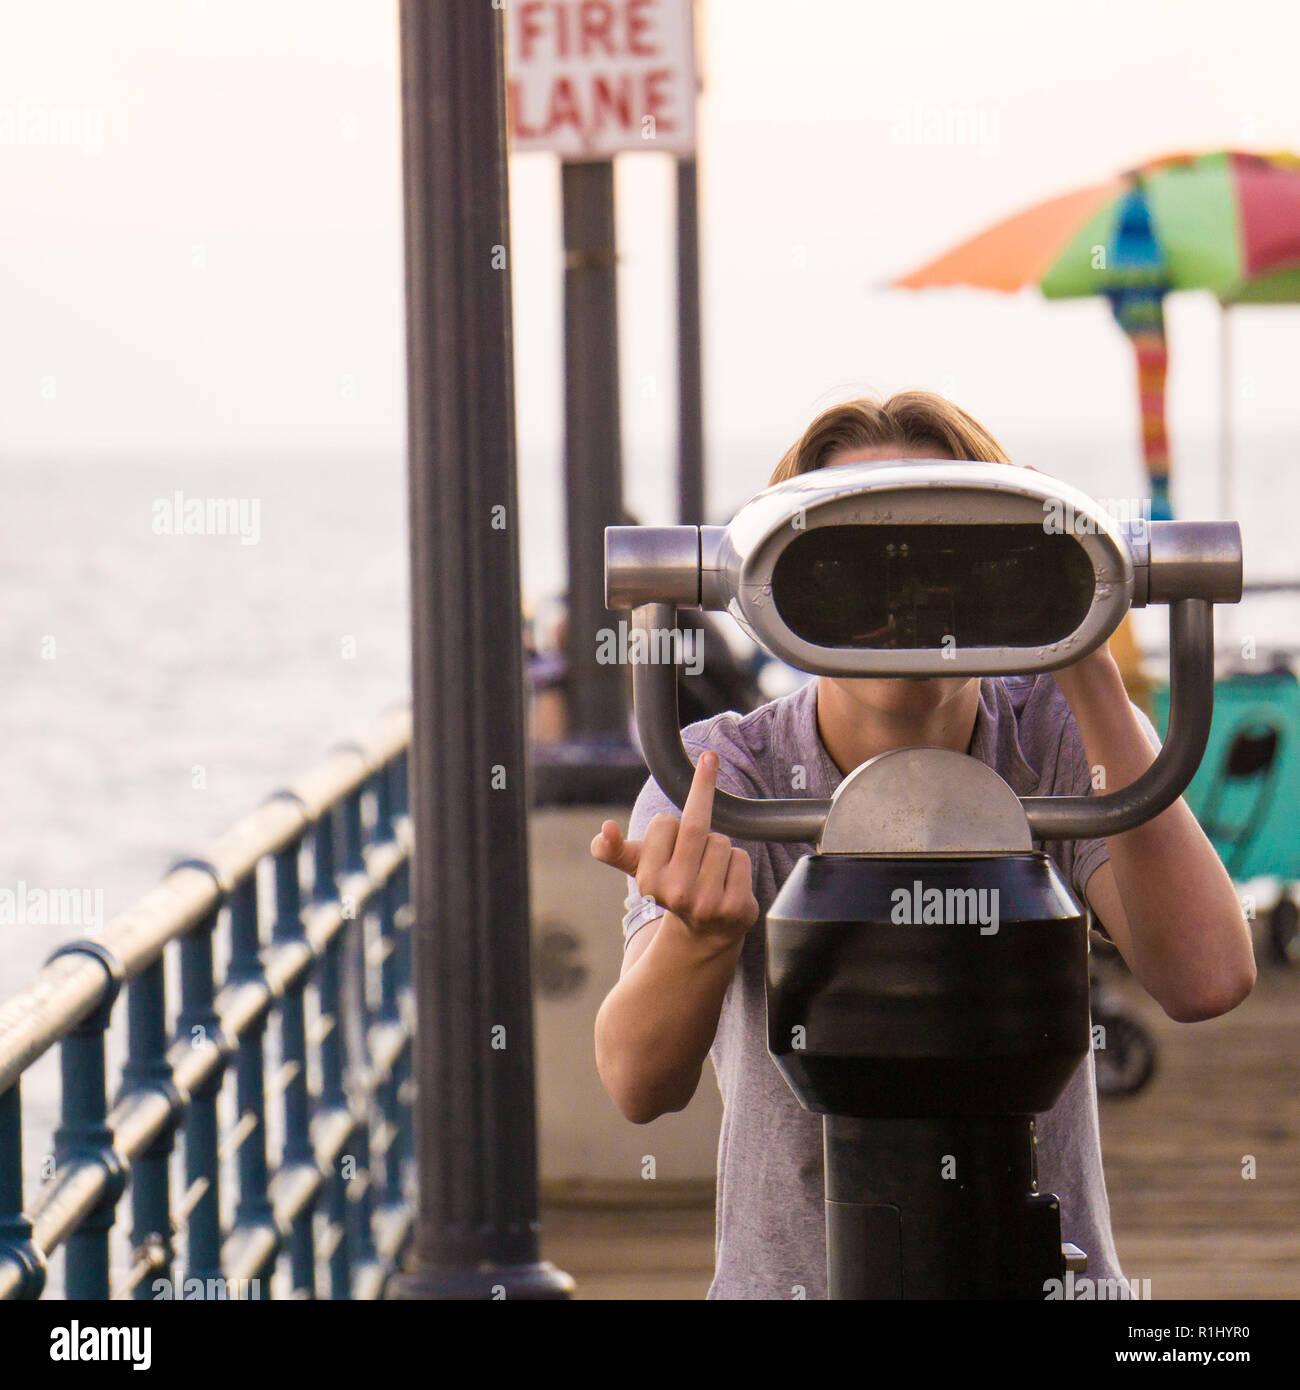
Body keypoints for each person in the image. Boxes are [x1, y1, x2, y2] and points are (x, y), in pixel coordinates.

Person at [589, 390, 1256, 1300]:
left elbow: (1206, 976)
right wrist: (697, 940)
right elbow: (637, 1081)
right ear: (766, 590)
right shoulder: (723, 774)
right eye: (846, 568)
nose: (898, 605)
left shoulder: (1057, 735)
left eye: (947, 562)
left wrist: (1079, 636)